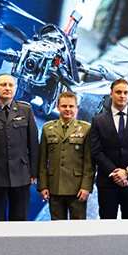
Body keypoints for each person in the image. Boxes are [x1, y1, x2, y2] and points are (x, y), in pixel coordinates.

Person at [0, 74, 39, 221]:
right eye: (3, 85)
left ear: (15, 89)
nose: (7, 88)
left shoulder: (26, 110)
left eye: (11, 85)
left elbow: (33, 144)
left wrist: (34, 172)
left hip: (22, 174)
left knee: (20, 221)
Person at [89, 79, 128, 219]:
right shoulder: (98, 120)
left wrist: (127, 171)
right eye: (118, 92)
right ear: (111, 94)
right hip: (108, 182)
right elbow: (96, 151)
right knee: (107, 223)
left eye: (125, 93)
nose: (122, 96)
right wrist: (114, 172)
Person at [37, 91, 94, 220]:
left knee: (78, 226)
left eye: (71, 106)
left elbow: (89, 163)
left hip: (77, 189)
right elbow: (42, 161)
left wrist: (86, 187)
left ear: (76, 108)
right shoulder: (48, 128)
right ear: (58, 107)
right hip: (54, 187)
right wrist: (43, 186)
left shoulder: (86, 129)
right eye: (64, 106)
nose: (68, 109)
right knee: (57, 227)